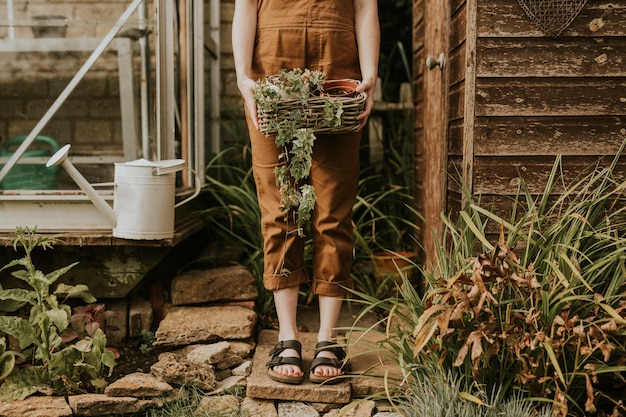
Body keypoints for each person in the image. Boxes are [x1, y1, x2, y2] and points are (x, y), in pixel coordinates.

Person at [232, 0, 380, 385]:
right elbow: (246, 4)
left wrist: (370, 74)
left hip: (339, 69)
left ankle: (329, 337)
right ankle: (287, 336)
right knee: (280, 207)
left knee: (333, 208)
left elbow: (365, 6)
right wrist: (243, 77)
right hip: (271, 70)